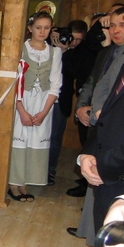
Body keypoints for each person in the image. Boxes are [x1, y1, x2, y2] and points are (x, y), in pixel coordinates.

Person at [8, 11, 62, 202]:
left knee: (35, 140)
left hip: (43, 102)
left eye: (46, 28)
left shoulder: (55, 52)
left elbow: (56, 83)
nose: (42, 31)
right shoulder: (20, 49)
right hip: (21, 101)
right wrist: (21, 110)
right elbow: (14, 82)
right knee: (19, 140)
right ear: (30, 28)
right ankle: (14, 183)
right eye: (38, 27)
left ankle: (25, 182)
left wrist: (44, 112)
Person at [79, 6, 124, 235]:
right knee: (103, 226)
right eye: (112, 25)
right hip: (106, 151)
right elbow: (99, 89)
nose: (116, 30)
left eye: (122, 25)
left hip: (116, 164)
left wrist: (104, 165)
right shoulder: (111, 55)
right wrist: (87, 154)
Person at [47, 19, 88, 185]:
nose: (74, 42)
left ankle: (50, 171)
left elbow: (76, 73)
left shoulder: (81, 52)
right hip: (43, 97)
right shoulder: (50, 43)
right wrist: (51, 41)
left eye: (79, 39)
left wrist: (64, 53)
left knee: (55, 138)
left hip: (62, 99)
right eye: (73, 38)